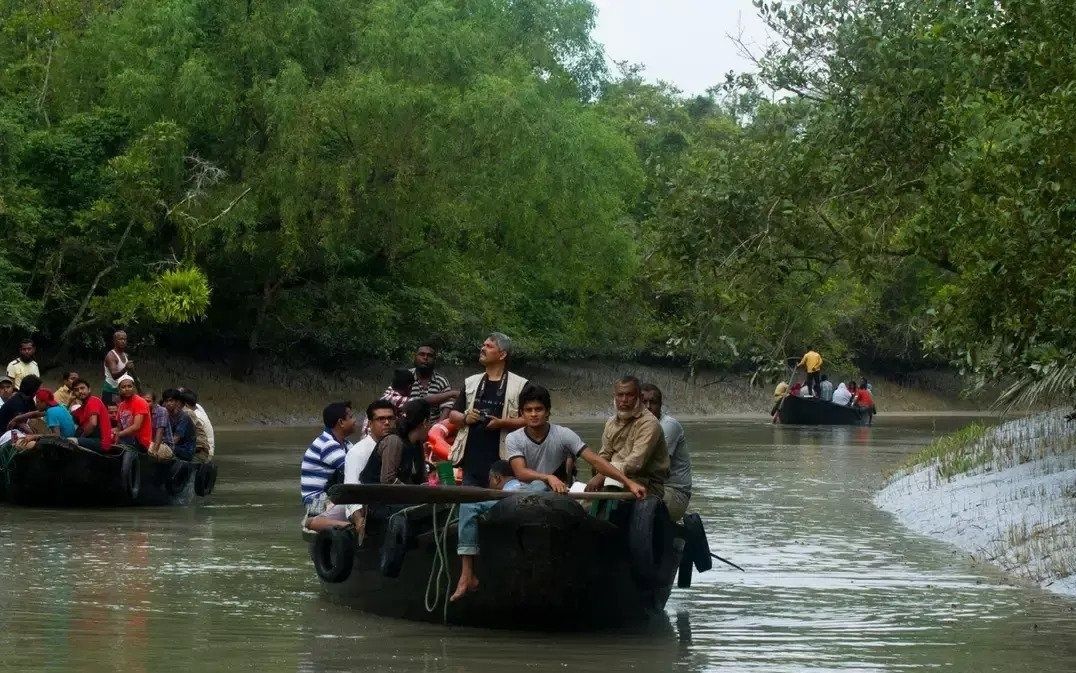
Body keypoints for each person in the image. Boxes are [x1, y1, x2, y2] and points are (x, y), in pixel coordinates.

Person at [448, 333, 528, 486]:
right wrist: (466, 418)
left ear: (502, 354)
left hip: (504, 461)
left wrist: (502, 423)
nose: (482, 348)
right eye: (483, 345)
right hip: (472, 461)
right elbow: (452, 415)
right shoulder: (471, 382)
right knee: (470, 505)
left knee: (501, 505)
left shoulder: (521, 385)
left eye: (489, 346)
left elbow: (530, 420)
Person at [449, 460, 524, 602]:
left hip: (513, 504)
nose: (489, 484)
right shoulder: (531, 485)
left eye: (490, 480)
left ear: (497, 478)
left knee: (468, 506)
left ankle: (467, 573)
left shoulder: (508, 492)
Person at [588, 376, 669, 498]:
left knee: (610, 489)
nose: (624, 400)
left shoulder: (649, 424)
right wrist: (599, 471)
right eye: (620, 395)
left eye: (629, 395)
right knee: (579, 500)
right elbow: (604, 455)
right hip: (613, 478)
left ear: (639, 398)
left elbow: (635, 463)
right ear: (614, 397)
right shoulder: (611, 423)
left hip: (647, 485)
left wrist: (604, 474)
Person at [340, 400, 398, 528]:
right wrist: (359, 519)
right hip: (366, 509)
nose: (387, 423)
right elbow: (351, 490)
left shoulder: (398, 445)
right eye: (381, 419)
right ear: (370, 424)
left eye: (390, 418)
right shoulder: (358, 452)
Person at [300, 401, 355, 531]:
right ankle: (349, 527)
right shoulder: (327, 444)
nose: (355, 421)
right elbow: (352, 470)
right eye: (351, 417)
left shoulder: (346, 444)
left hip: (328, 496)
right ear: (341, 422)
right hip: (316, 501)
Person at [640, 383, 691, 520]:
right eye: (643, 402)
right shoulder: (634, 426)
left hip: (674, 492)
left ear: (661, 405)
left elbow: (651, 465)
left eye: (653, 402)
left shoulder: (668, 425)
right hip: (648, 486)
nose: (648, 407)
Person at [359, 398, 430, 485]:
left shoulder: (417, 445)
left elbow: (421, 479)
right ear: (425, 422)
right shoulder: (393, 441)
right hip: (375, 496)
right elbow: (388, 480)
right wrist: (412, 492)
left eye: (390, 418)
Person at [411, 342, 458, 420]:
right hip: (406, 426)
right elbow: (392, 400)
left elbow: (448, 405)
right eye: (422, 354)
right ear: (415, 357)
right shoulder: (405, 377)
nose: (425, 358)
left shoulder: (441, 381)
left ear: (434, 360)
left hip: (432, 425)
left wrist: (438, 427)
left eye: (430, 356)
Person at [70, 379, 114, 452]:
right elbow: (67, 417)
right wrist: (69, 401)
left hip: (101, 442)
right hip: (91, 440)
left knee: (70, 441)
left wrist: (81, 438)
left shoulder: (93, 400)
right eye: (76, 390)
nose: (80, 391)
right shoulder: (81, 408)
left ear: (89, 389)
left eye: (82, 388)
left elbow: (93, 424)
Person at [113, 375, 152, 450]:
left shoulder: (140, 402)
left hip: (140, 441)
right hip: (126, 438)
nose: (127, 389)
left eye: (129, 386)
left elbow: (136, 426)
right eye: (123, 387)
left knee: (126, 461)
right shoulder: (121, 405)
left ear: (134, 387)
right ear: (119, 390)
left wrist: (119, 434)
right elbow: (119, 426)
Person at [160, 388, 196, 461]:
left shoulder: (183, 417)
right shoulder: (165, 414)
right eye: (166, 401)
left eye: (171, 401)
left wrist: (160, 444)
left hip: (185, 450)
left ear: (177, 402)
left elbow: (175, 440)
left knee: (160, 448)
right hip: (173, 446)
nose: (168, 403)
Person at [181, 388, 215, 462]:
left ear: (185, 404)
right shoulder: (198, 407)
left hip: (205, 451)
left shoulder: (194, 416)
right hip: (208, 447)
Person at [143, 389, 175, 459]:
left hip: (165, 445)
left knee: (145, 447)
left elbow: (159, 433)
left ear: (154, 402)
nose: (145, 403)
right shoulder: (142, 411)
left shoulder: (161, 411)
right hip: (151, 443)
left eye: (148, 401)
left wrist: (154, 452)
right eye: (143, 401)